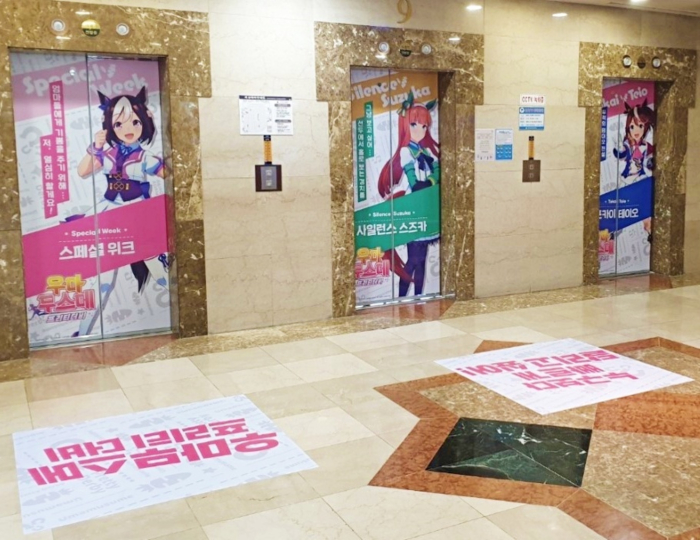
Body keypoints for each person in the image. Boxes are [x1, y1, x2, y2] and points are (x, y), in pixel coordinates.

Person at [77, 86, 168, 294]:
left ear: (144, 122)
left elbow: (174, 179)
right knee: (105, 267)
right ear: (110, 126)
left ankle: (169, 288)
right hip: (110, 211)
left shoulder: (145, 157)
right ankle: (90, 313)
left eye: (135, 122)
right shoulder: (107, 154)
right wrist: (96, 147)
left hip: (137, 211)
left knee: (152, 259)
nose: (128, 129)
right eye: (118, 124)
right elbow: (82, 171)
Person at [377, 91, 440, 297]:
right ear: (405, 125)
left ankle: (419, 296)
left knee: (421, 260)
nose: (420, 130)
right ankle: (402, 297)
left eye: (424, 126)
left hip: (427, 208)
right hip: (414, 208)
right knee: (413, 259)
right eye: (414, 125)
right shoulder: (406, 152)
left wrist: (430, 181)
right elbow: (413, 180)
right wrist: (426, 183)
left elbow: (437, 171)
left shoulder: (427, 153)